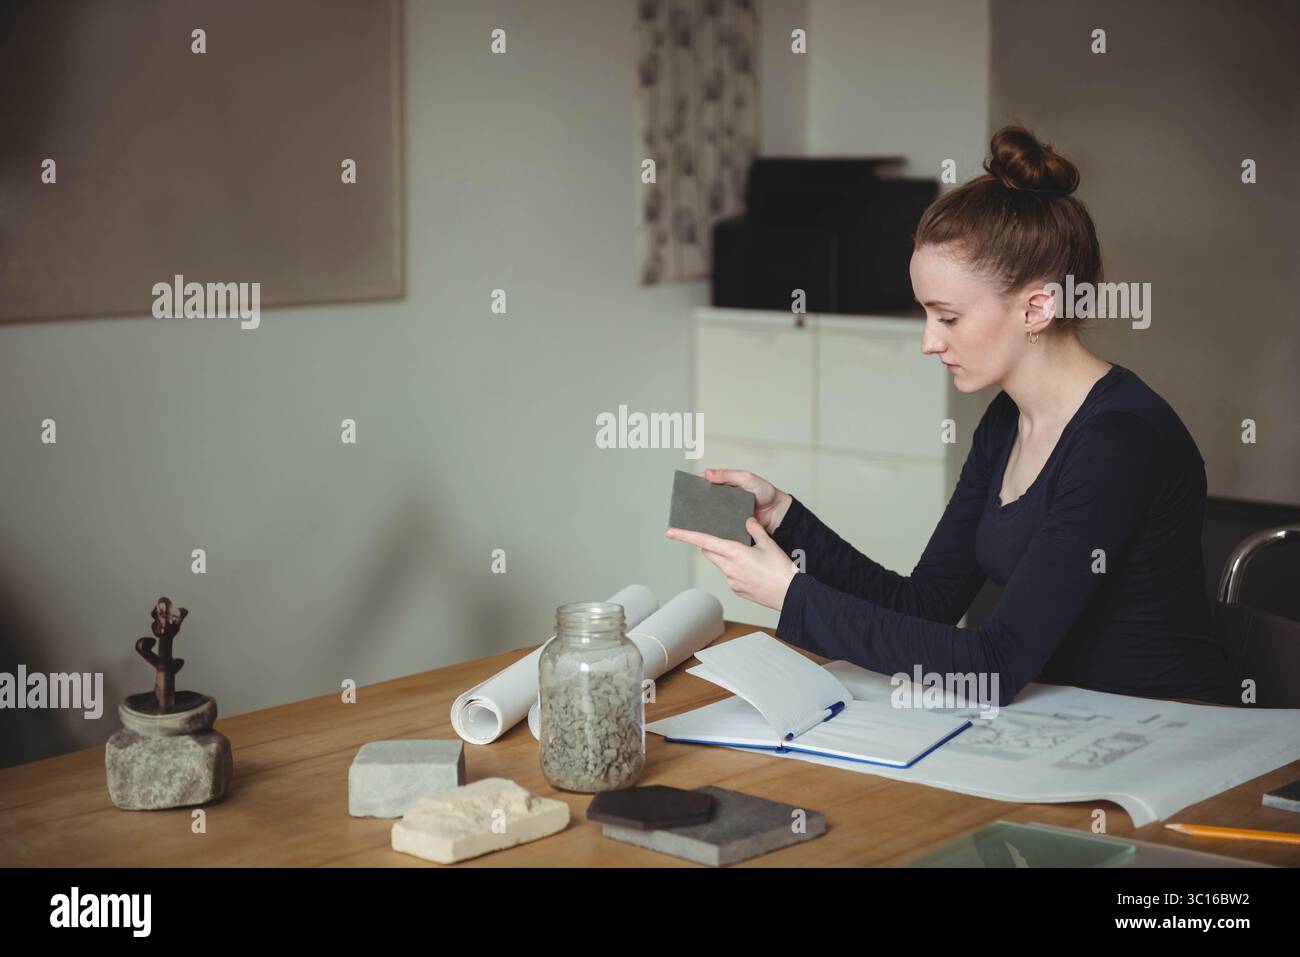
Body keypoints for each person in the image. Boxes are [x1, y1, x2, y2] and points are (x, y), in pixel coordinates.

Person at [666, 125, 1233, 707]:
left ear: (1038, 306)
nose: (928, 342)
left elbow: (996, 664)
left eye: (949, 318)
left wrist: (792, 596)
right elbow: (926, 605)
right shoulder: (1007, 419)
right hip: (1066, 720)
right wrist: (785, 518)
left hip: (1165, 730)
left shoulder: (1118, 441)